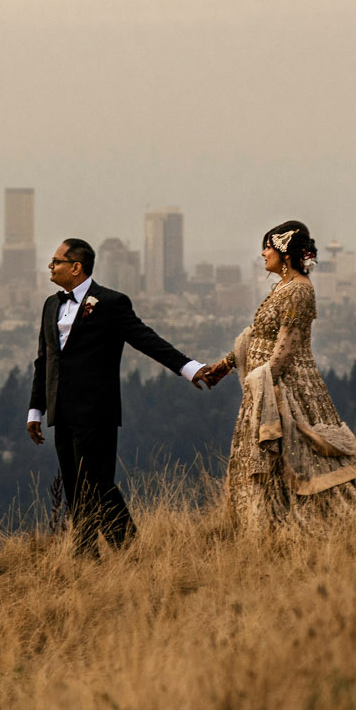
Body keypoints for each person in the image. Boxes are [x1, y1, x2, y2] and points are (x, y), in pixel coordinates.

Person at [26, 237, 214, 555]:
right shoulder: (51, 305)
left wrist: (188, 367)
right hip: (62, 411)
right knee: (74, 485)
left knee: (98, 483)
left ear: (76, 267)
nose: (50, 266)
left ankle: (127, 548)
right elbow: (45, 360)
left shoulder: (111, 303)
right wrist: (36, 410)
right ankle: (85, 554)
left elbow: (145, 339)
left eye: (56, 261)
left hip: (96, 411)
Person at [197, 221, 356, 536]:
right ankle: (267, 530)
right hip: (265, 385)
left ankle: (286, 530)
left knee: (294, 457)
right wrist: (226, 365)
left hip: (286, 388)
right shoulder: (282, 286)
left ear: (285, 254)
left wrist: (263, 383)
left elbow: (286, 346)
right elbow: (259, 334)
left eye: (268, 248)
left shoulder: (300, 290)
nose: (263, 254)